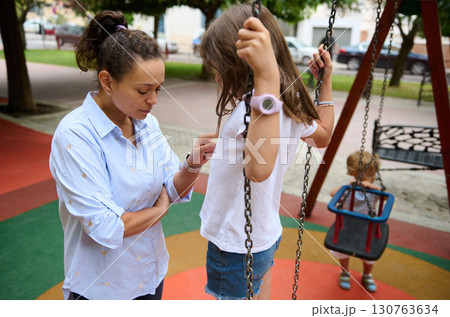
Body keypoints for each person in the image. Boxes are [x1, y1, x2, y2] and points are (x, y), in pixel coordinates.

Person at [49, 11, 216, 300]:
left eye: (158, 89)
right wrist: (161, 208)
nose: (153, 100)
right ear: (107, 81)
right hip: (102, 288)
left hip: (149, 275)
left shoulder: (145, 122)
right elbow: (107, 226)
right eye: (143, 90)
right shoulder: (75, 135)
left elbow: (171, 188)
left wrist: (192, 164)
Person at [198, 4, 335, 300]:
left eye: (219, 70)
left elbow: (258, 170)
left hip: (235, 242)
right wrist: (326, 83)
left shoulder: (262, 104)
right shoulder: (287, 102)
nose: (218, 79)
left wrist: (267, 77)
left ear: (243, 65)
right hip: (265, 234)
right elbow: (323, 135)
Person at [329, 150, 381, 293]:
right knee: (343, 251)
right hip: (348, 225)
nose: (373, 177)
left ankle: (367, 274)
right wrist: (349, 185)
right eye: (369, 174)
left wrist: (373, 187)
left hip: (367, 227)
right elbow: (332, 193)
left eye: (374, 174)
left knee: (368, 255)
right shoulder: (348, 187)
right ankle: (344, 272)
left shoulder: (374, 190)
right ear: (355, 174)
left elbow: (385, 199)